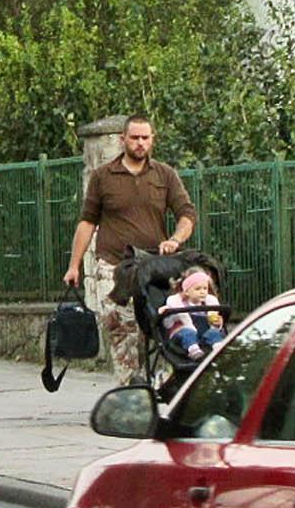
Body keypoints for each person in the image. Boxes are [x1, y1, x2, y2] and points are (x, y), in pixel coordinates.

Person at [62, 115, 197, 384]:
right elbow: (88, 221)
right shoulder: (103, 177)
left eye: (145, 138)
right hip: (113, 265)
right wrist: (74, 265)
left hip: (153, 266)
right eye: (134, 138)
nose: (140, 143)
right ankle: (129, 389)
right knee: (121, 327)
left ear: (152, 140)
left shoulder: (164, 175)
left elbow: (187, 214)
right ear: (123, 140)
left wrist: (176, 239)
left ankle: (163, 382)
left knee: (162, 324)